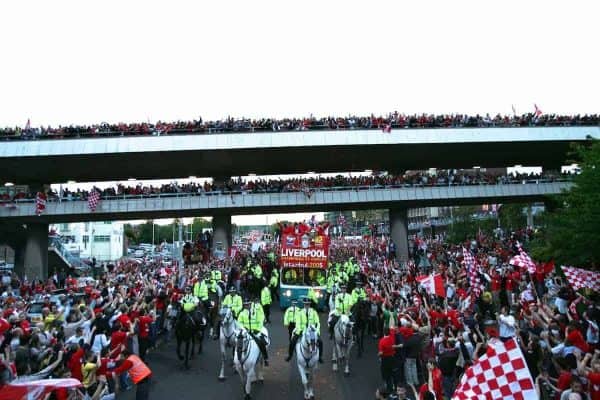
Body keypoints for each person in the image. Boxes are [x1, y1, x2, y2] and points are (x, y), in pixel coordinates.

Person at [285, 297, 323, 363]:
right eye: (305, 304)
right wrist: (300, 331)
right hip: (302, 330)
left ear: (310, 304)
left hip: (311, 331)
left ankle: (320, 357)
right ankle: (290, 355)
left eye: (308, 304)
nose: (307, 306)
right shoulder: (300, 312)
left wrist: (316, 331)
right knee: (292, 341)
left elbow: (317, 322)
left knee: (320, 341)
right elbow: (298, 323)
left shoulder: (314, 312)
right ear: (304, 305)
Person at [237, 300, 270, 366]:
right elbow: (239, 323)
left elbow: (260, 321)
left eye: (248, 304)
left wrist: (257, 329)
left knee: (262, 343)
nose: (247, 306)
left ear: (251, 304)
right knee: (239, 341)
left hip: (255, 331)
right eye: (246, 305)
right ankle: (238, 359)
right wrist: (244, 329)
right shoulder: (242, 313)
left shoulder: (256, 312)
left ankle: (265, 358)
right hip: (246, 331)